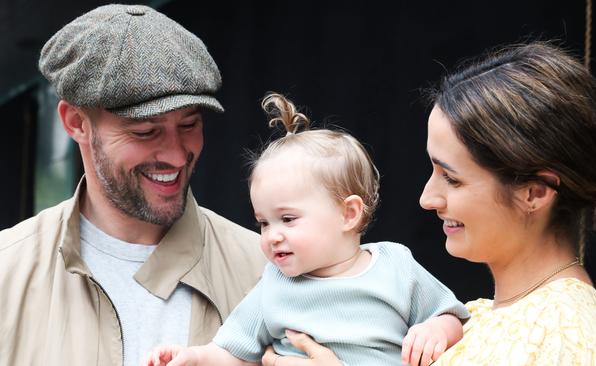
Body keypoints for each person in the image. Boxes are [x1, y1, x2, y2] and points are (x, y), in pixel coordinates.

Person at [259, 43, 596, 365]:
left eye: (452, 178)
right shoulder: (479, 316)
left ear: (535, 191)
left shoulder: (559, 334)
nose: (428, 198)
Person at [0, 4, 266, 366]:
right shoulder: (7, 271)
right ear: (76, 122)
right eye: (146, 131)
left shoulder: (269, 271)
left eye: (189, 124)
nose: (176, 155)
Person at [142, 93, 469, 366]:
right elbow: (232, 350)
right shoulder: (274, 285)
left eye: (288, 219)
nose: (272, 235)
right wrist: (193, 357)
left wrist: (437, 330)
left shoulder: (395, 266)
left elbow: (454, 316)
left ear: (348, 214)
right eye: (263, 222)